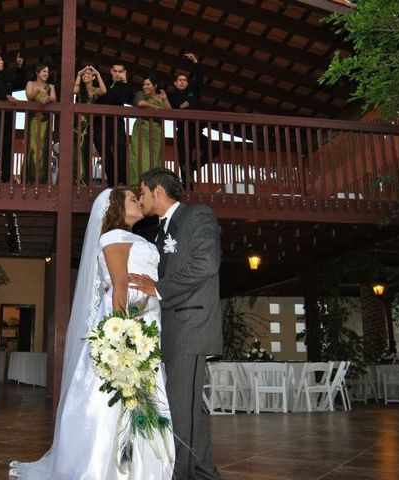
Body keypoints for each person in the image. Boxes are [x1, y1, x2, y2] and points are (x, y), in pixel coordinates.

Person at [9, 187, 174, 479]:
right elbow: (119, 285)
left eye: (138, 198)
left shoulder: (136, 238)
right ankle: (109, 467)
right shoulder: (114, 237)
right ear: (115, 208)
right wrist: (124, 338)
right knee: (118, 396)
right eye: (131, 199)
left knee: (142, 395)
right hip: (127, 323)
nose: (137, 201)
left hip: (148, 317)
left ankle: (141, 465)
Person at [130, 167, 222, 480]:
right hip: (172, 328)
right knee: (188, 408)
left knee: (183, 409)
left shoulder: (196, 216)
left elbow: (206, 264)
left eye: (142, 191)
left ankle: (181, 474)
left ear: (158, 191)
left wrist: (158, 288)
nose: (140, 199)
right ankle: (203, 472)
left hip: (191, 325)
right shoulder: (159, 232)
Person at [0, 53, 25, 183]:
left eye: (1, 59)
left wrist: (19, 67)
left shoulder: (6, 76)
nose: (2, 61)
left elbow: (20, 82)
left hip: (8, 116)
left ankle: (6, 176)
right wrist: (6, 96)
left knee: (7, 146)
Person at [170, 53, 209, 185]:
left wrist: (195, 61)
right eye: (179, 80)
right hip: (182, 132)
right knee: (183, 162)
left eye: (184, 80)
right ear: (175, 83)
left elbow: (200, 79)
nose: (182, 81)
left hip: (195, 130)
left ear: (187, 83)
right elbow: (171, 108)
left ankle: (193, 166)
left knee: (213, 148)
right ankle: (187, 189)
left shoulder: (192, 91)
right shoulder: (172, 95)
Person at [93, 63, 134, 186]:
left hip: (117, 122)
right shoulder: (104, 82)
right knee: (105, 153)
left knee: (121, 150)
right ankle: (111, 182)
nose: (117, 73)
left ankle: (122, 180)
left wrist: (125, 80)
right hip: (100, 123)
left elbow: (128, 99)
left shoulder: (125, 86)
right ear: (111, 71)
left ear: (124, 72)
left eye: (120, 71)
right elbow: (98, 97)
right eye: (115, 71)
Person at [129, 75, 171, 186]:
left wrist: (165, 99)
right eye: (144, 84)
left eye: (148, 84)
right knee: (139, 158)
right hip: (141, 131)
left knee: (155, 158)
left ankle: (153, 184)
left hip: (156, 132)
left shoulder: (160, 97)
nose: (145, 86)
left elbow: (170, 112)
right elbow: (140, 103)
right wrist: (155, 107)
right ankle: (137, 184)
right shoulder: (141, 94)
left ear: (155, 86)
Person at [73, 65, 107, 185]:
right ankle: (75, 180)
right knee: (75, 153)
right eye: (84, 75)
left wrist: (97, 73)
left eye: (88, 74)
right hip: (76, 125)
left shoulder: (95, 90)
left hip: (88, 126)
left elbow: (104, 91)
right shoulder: (80, 91)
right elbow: (74, 90)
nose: (85, 75)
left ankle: (84, 181)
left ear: (93, 77)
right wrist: (79, 73)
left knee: (84, 152)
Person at [24, 63, 56, 184]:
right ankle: (31, 179)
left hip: (46, 120)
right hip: (33, 119)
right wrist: (38, 89)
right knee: (33, 147)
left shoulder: (50, 86)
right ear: (37, 73)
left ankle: (43, 180)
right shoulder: (30, 83)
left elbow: (54, 98)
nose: (46, 74)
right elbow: (29, 96)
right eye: (44, 71)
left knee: (44, 148)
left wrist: (47, 98)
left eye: (47, 72)